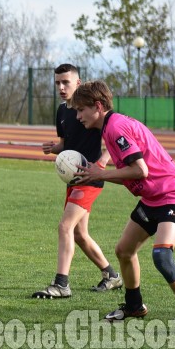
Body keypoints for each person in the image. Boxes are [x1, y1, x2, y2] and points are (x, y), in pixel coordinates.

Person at [69, 80, 175, 337]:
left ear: (97, 106)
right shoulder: (111, 126)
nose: (78, 116)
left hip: (173, 196)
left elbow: (141, 170)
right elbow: (133, 173)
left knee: (162, 256)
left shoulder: (116, 127)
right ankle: (134, 306)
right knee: (124, 250)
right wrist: (99, 171)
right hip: (153, 199)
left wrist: (102, 174)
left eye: (81, 110)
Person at [32, 64, 121, 299]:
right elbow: (66, 143)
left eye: (66, 82)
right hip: (73, 179)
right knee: (80, 234)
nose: (61, 87)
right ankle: (111, 275)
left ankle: (61, 284)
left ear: (78, 83)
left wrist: (101, 163)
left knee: (65, 227)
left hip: (90, 178)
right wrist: (55, 148)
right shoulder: (62, 111)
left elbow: (113, 139)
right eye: (57, 83)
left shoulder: (92, 110)